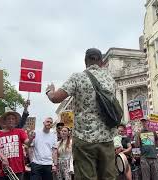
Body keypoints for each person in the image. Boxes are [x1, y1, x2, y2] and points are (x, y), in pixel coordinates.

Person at [46, 48, 117, 180]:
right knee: (108, 177)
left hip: (84, 138)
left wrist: (49, 91)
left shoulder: (78, 77)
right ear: (101, 62)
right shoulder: (110, 80)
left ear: (86, 61)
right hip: (107, 137)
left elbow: (55, 98)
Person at [0, 111, 34, 180]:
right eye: (8, 119)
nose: (11, 120)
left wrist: (31, 139)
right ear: (5, 121)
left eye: (13, 119)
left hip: (18, 167)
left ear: (16, 121)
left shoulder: (20, 131)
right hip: (2, 169)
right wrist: (3, 158)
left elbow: (27, 143)